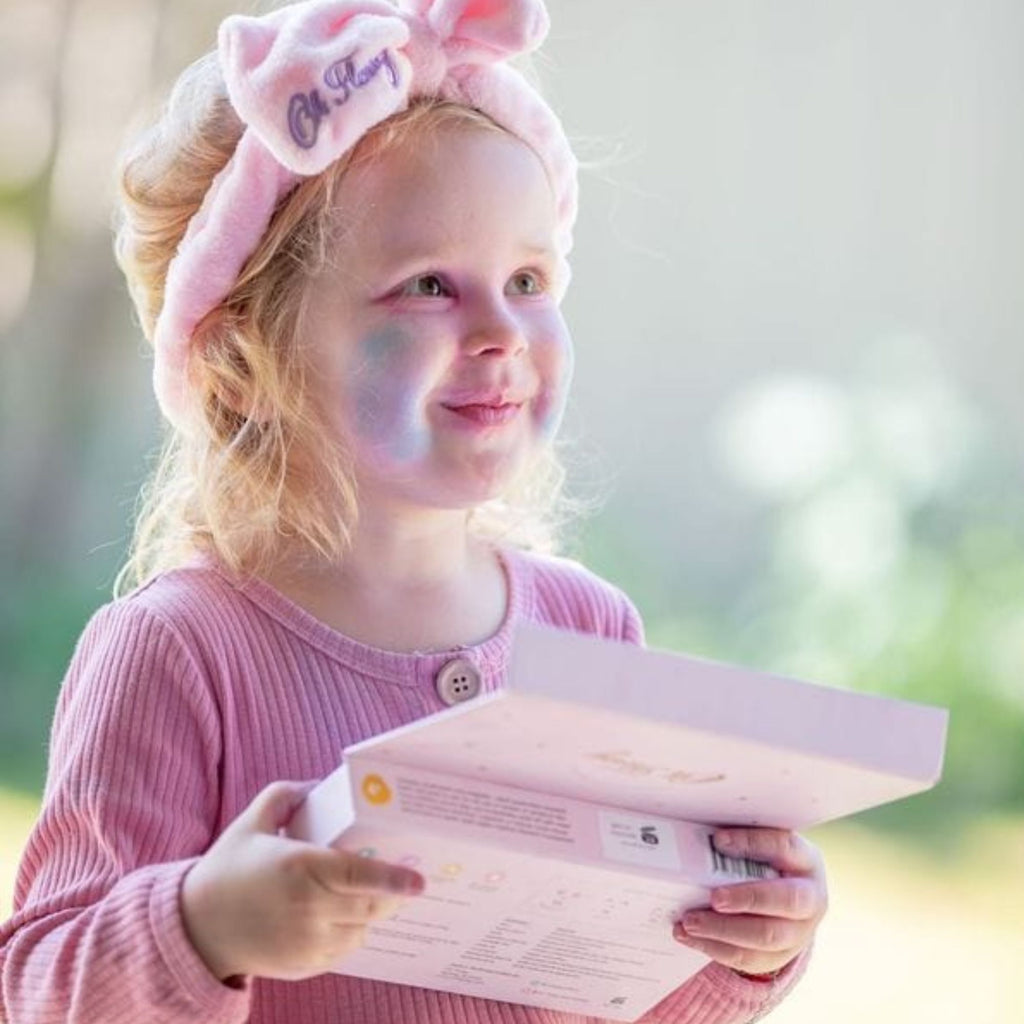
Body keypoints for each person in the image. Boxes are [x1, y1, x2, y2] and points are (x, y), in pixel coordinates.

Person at [0, 1, 828, 1021]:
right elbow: (36, 988)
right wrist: (203, 927)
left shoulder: (589, 629)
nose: (500, 332)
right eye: (428, 285)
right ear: (242, 361)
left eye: (528, 278)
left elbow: (614, 980)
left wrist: (741, 945)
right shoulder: (180, 650)